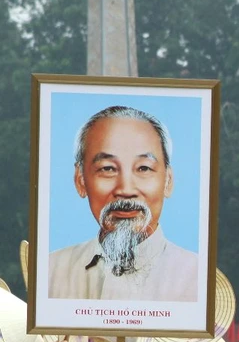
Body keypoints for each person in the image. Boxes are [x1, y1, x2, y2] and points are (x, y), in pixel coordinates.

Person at [48, 105, 199, 301]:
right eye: (108, 168)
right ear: (80, 180)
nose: (126, 190)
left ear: (168, 181)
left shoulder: (197, 278)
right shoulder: (51, 271)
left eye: (144, 168)